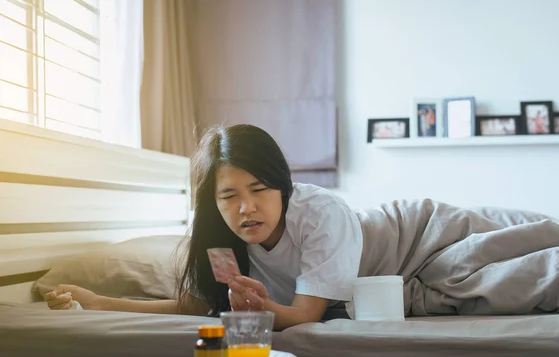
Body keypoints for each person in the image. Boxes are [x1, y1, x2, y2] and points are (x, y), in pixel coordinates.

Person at [45, 124, 363, 331]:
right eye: (228, 195)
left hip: (403, 253)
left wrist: (259, 309)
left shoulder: (320, 213)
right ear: (214, 201)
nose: (246, 207)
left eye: (258, 189)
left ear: (281, 185)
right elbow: (198, 306)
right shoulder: (219, 233)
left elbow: (306, 316)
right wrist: (100, 303)